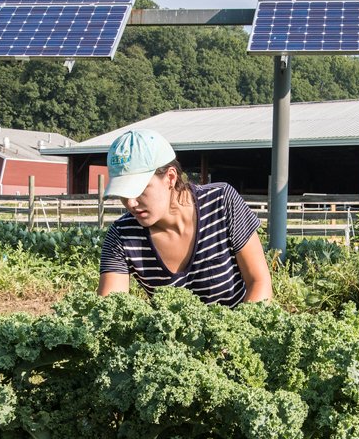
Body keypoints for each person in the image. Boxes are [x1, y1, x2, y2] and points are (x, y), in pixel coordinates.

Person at [98, 129, 272, 307]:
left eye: (139, 190)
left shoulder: (221, 202)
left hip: (239, 329)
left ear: (170, 177)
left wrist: (238, 331)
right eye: (123, 194)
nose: (131, 203)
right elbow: (111, 309)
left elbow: (259, 282)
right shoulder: (121, 235)